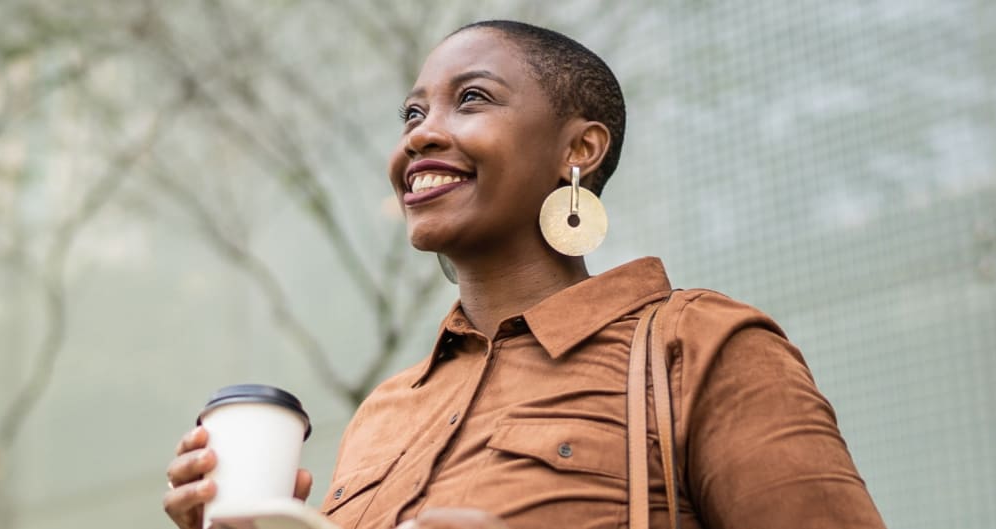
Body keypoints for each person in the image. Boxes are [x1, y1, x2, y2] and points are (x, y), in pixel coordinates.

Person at [163, 20, 886, 529]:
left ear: (579, 148)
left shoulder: (698, 346)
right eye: (411, 112)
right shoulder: (383, 413)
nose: (419, 132)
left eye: (470, 98)